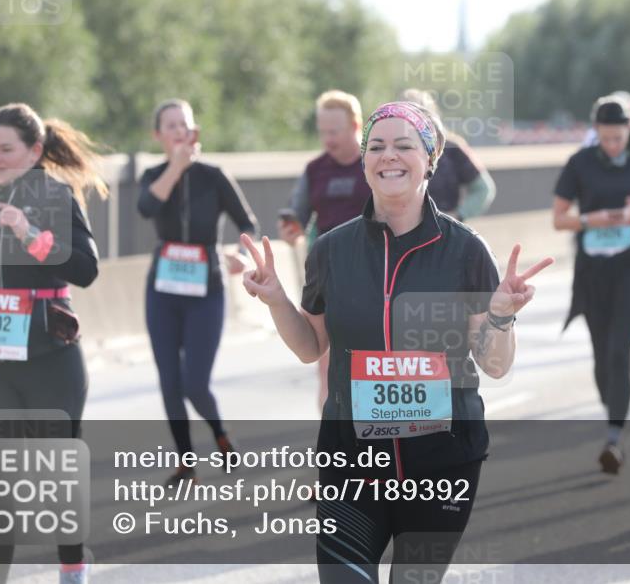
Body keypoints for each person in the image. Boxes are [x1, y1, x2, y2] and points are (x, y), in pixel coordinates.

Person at [240, 101, 552, 582]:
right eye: (377, 146)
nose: (390, 156)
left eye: (405, 145)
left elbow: (493, 365)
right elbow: (309, 347)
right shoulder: (331, 251)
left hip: (442, 467)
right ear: (364, 161)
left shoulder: (465, 250)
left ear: (430, 158)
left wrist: (501, 317)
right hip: (351, 464)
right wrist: (278, 299)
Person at [0, 102, 107, 584]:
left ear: (34, 152)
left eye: (6, 149)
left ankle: (73, 565)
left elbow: (86, 270)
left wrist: (31, 234)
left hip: (50, 355)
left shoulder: (57, 196)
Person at [138, 99, 259, 485]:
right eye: (169, 126)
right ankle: (185, 460)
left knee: (195, 382)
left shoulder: (214, 175)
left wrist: (241, 254)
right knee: (169, 380)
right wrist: (176, 167)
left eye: (183, 125)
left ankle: (221, 433)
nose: (177, 131)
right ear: (158, 135)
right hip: (163, 289)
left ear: (194, 131)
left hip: (206, 288)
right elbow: (145, 207)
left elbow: (247, 223)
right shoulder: (154, 174)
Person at [553, 96, 630, 473]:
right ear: (595, 132)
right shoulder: (580, 163)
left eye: (619, 137)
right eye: (605, 137)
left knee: (618, 351)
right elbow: (559, 218)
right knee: (601, 357)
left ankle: (615, 437)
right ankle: (613, 412)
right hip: (593, 269)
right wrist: (591, 219)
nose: (612, 144)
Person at [280, 90, 371, 411]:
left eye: (334, 131)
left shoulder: (376, 162)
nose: (327, 139)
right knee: (328, 367)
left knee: (371, 366)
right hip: (330, 279)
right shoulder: (315, 170)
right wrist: (292, 228)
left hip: (375, 276)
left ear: (355, 125)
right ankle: (335, 446)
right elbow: (298, 215)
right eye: (322, 132)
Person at [400, 88, 496, 221]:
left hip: (444, 234)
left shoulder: (452, 148)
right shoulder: (392, 150)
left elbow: (483, 189)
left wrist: (458, 216)